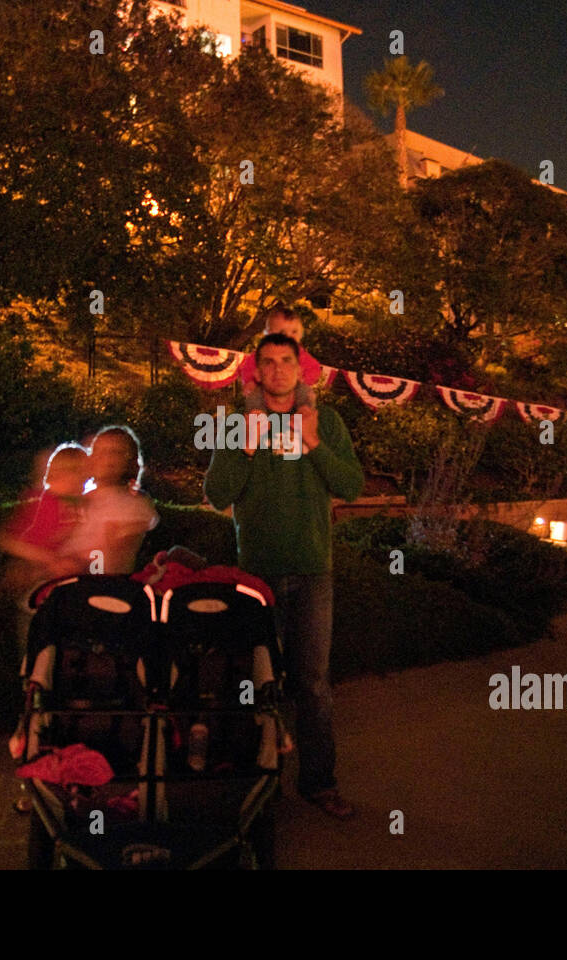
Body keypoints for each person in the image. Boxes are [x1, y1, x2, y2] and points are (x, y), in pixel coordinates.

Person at [205, 332, 365, 819]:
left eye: (286, 361)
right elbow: (217, 492)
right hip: (257, 576)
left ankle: (318, 782)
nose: (277, 370)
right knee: (257, 682)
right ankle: (258, 782)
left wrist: (314, 441)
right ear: (256, 372)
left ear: (301, 370)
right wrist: (248, 447)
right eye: (268, 363)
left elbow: (351, 486)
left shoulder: (327, 421)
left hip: (314, 570)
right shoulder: (236, 423)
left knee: (313, 685)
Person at [0, 442, 90, 640]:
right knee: (35, 634)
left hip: (55, 583)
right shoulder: (44, 503)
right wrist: (49, 560)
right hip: (36, 582)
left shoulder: (72, 504)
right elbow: (6, 539)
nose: (84, 483)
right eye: (82, 476)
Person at [62, 426, 159, 576]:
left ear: (129, 460)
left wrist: (72, 566)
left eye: (114, 452)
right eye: (98, 451)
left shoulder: (133, 503)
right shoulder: (83, 498)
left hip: (93, 582)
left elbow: (114, 560)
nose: (105, 458)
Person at [238, 305, 323, 413]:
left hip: (293, 391)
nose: (289, 337)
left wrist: (303, 380)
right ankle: (257, 417)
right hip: (266, 391)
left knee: (305, 393)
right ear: (268, 334)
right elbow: (248, 368)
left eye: (294, 332)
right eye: (283, 333)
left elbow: (315, 369)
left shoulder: (300, 354)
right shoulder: (261, 354)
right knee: (254, 395)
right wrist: (250, 382)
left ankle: (303, 415)